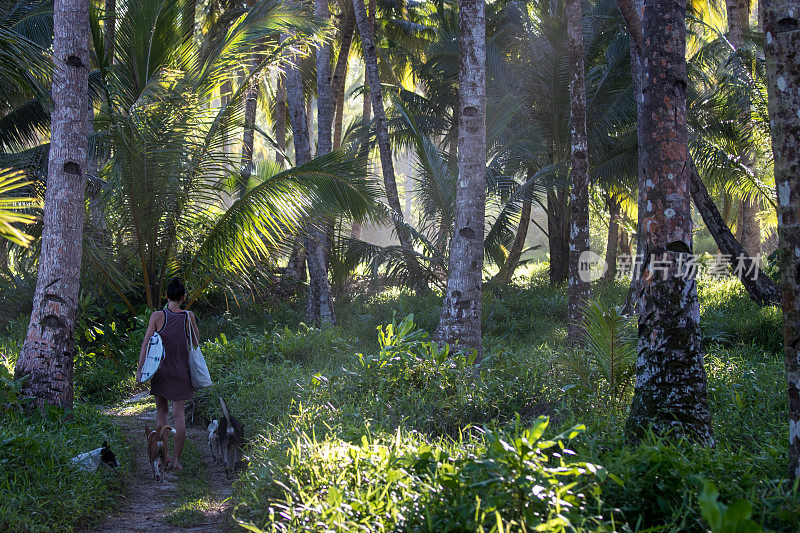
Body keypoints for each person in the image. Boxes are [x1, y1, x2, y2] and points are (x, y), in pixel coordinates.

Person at [135, 277, 199, 471]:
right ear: (182, 297)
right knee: (179, 415)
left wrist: (140, 371)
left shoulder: (156, 316)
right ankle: (177, 461)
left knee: (161, 412)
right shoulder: (189, 316)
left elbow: (146, 343)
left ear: (166, 295)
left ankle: (165, 456)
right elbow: (196, 343)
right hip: (181, 372)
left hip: (160, 371)